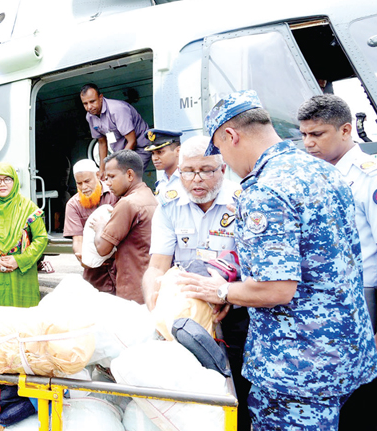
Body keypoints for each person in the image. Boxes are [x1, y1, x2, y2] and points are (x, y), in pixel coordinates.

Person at [179, 90, 377, 429]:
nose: (225, 161)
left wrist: (222, 292)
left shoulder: (265, 191)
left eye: (221, 149)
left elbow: (276, 289)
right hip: (345, 352)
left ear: (231, 135)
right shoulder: (325, 171)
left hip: (296, 367)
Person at [142, 135, 250, 430]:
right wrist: (155, 296)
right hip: (186, 315)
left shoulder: (243, 202)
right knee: (191, 391)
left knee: (238, 390)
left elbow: (255, 268)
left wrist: (226, 294)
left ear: (223, 169)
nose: (196, 179)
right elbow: (157, 266)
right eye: (188, 171)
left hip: (235, 311)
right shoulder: (169, 205)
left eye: (206, 170)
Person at [296, 94, 377, 429]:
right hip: (324, 304)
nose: (308, 143)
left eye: (317, 134)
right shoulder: (315, 177)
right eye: (304, 135)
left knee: (363, 391)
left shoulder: (368, 177)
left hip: (365, 296)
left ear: (346, 130)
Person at [92, 150, 157, 302]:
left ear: (129, 175)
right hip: (150, 285)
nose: (107, 182)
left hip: (133, 289)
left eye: (112, 176)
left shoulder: (127, 203)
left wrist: (100, 226)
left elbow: (102, 248)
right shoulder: (150, 196)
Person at [0, 163, 48, 307]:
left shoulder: (28, 207)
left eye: (7, 179)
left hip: (22, 276)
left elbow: (41, 238)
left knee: (22, 322)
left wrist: (20, 260)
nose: (2, 184)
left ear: (15, 181)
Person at [62, 159, 119, 292]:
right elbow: (78, 240)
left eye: (87, 181)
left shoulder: (115, 194)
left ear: (98, 175)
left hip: (120, 264)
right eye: (79, 183)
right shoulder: (73, 205)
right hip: (94, 271)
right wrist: (81, 255)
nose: (83, 187)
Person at [79, 83, 151, 176]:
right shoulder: (90, 117)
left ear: (101, 97)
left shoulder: (117, 109)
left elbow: (132, 141)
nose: (89, 107)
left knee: (127, 180)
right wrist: (102, 170)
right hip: (121, 152)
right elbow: (102, 142)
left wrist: (118, 165)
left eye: (92, 101)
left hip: (140, 148)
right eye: (85, 103)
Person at [144, 128, 183, 203]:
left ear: (178, 151)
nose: (155, 158)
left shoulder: (187, 178)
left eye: (160, 152)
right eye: (153, 153)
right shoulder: (161, 182)